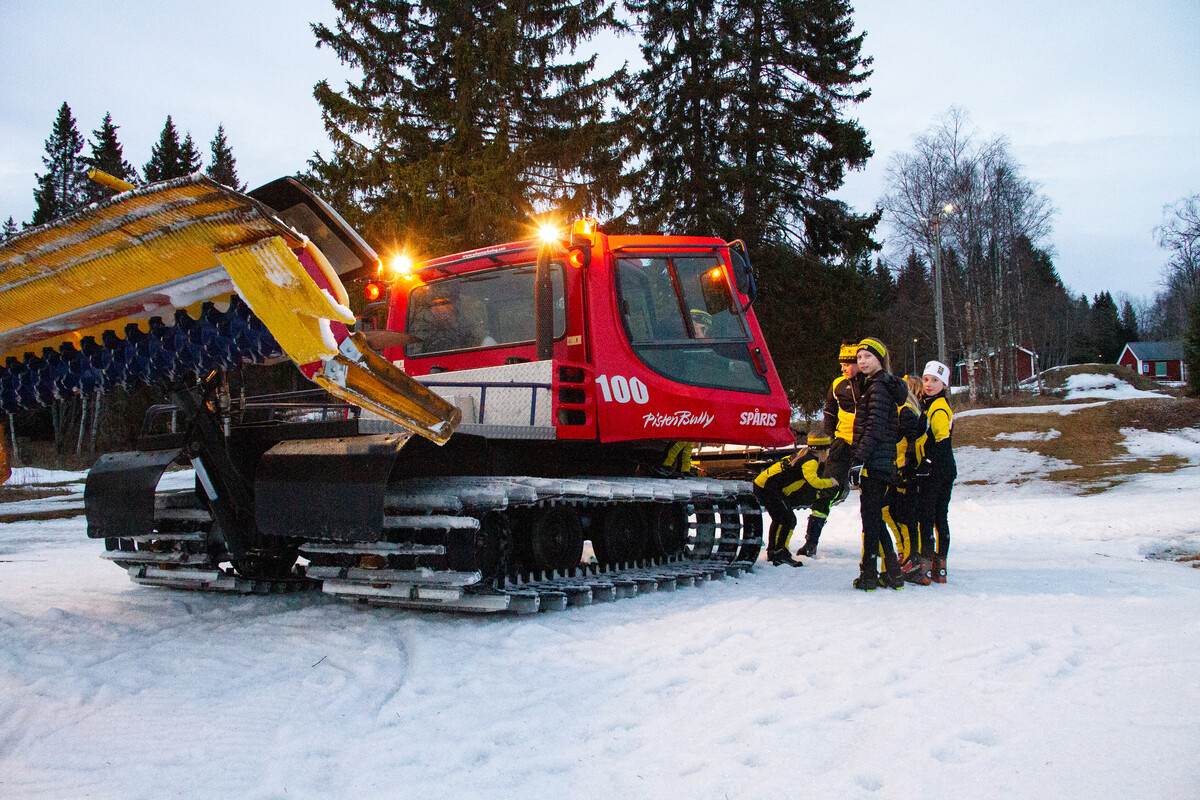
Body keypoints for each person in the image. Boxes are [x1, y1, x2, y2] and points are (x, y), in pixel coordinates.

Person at [849, 337, 908, 591]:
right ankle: (891, 573)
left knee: (871, 520)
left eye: (868, 356)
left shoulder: (879, 388)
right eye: (859, 357)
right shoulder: (873, 385)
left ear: (880, 360)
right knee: (872, 517)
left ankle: (871, 575)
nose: (862, 361)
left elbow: (873, 428)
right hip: (877, 461)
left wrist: (859, 460)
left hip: (875, 462)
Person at [797, 341, 862, 557]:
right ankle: (811, 542)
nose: (843, 368)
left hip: (867, 444)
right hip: (842, 444)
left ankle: (879, 545)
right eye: (841, 364)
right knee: (826, 490)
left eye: (848, 364)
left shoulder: (872, 384)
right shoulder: (837, 384)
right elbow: (830, 413)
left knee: (874, 497)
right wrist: (831, 438)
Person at [753, 431, 840, 566]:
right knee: (788, 520)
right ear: (822, 450)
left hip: (766, 485)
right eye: (828, 449)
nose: (829, 453)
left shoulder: (804, 454)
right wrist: (830, 482)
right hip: (768, 488)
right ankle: (779, 553)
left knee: (781, 519)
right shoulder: (810, 462)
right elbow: (814, 482)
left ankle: (774, 551)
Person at [891, 375, 932, 585]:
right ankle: (912, 558)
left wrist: (907, 469)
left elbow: (911, 440)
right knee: (904, 515)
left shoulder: (906, 410)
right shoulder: (911, 410)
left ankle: (913, 561)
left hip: (905, 470)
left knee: (906, 516)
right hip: (906, 468)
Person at [918, 360, 956, 583]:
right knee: (940, 516)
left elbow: (941, 439)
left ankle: (925, 565)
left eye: (935, 380)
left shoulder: (938, 407)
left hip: (937, 469)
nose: (929, 384)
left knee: (928, 515)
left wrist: (928, 461)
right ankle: (940, 566)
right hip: (946, 467)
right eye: (925, 379)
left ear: (944, 385)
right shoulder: (932, 404)